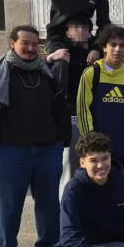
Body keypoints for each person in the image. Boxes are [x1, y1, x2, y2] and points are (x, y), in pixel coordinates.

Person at [0, 25, 70, 247]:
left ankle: (48, 246)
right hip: (11, 150)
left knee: (48, 202)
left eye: (34, 44)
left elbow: (60, 107)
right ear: (12, 44)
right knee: (10, 203)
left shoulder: (46, 73)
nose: (30, 49)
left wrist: (62, 139)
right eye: (25, 43)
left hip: (47, 148)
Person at [76, 25, 124, 186]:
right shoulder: (91, 74)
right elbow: (83, 111)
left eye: (122, 45)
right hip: (101, 154)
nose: (117, 49)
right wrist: (91, 145)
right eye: (113, 44)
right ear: (104, 47)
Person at [53, 18, 94, 197]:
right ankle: (66, 203)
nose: (80, 30)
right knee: (69, 165)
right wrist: (50, 58)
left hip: (91, 118)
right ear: (67, 33)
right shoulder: (61, 54)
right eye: (75, 27)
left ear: (90, 33)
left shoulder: (96, 56)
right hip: (70, 117)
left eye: (84, 27)